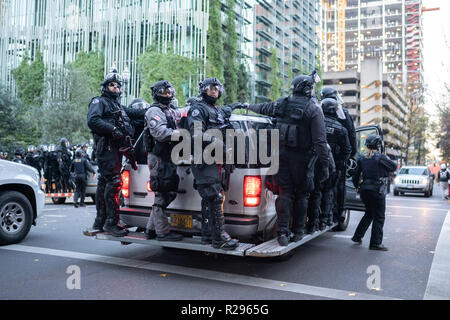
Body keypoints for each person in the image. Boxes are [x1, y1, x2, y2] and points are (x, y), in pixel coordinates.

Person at [235, 71, 329, 246]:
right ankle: (298, 231)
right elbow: (320, 142)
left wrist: (244, 105)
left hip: (280, 157)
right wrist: (326, 165)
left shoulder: (282, 104)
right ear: (308, 89)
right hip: (302, 160)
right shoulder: (313, 109)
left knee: (285, 194)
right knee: (301, 195)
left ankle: (282, 233)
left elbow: (263, 108)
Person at [87, 68, 146, 237]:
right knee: (114, 183)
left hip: (115, 150)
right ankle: (111, 223)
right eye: (112, 85)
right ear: (105, 87)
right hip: (107, 149)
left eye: (117, 85)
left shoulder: (117, 106)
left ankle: (101, 220)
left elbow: (134, 112)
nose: (115, 88)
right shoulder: (99, 102)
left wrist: (153, 109)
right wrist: (113, 129)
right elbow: (93, 120)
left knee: (105, 183)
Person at [187, 77, 240, 250]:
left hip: (215, 160)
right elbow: (196, 133)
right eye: (210, 88)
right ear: (203, 90)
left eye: (217, 88)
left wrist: (234, 106)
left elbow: (223, 116)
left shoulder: (214, 110)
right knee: (214, 196)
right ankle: (220, 238)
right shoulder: (197, 109)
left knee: (209, 198)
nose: (214, 90)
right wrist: (218, 144)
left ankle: (208, 234)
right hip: (203, 159)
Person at [143, 80, 186, 241]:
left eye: (169, 91)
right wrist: (182, 134)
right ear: (156, 94)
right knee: (162, 193)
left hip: (167, 157)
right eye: (164, 92)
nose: (167, 94)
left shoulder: (168, 110)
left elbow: (181, 112)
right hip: (158, 157)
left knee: (169, 191)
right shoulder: (154, 111)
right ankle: (162, 232)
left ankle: (150, 229)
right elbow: (161, 133)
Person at [351, 134, 397, 251]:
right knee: (379, 217)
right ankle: (375, 243)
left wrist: (356, 186)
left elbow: (355, 175)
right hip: (377, 190)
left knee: (369, 214)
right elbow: (394, 166)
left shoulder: (361, 158)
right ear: (378, 145)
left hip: (365, 190)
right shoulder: (380, 157)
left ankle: (357, 236)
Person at [320, 87, 356, 225]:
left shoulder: (318, 112)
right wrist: (348, 157)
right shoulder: (344, 115)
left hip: (319, 157)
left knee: (319, 187)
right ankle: (336, 215)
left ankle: (320, 217)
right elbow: (352, 136)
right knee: (337, 187)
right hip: (338, 157)